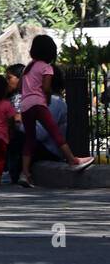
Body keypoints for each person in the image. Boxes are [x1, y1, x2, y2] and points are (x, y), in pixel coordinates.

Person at [18, 35, 93, 186]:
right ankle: (73, 160)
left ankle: (24, 173)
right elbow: (46, 87)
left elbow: (20, 86)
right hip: (38, 103)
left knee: (29, 139)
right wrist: (46, 99)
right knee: (55, 132)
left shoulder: (29, 67)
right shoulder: (47, 68)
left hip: (25, 105)